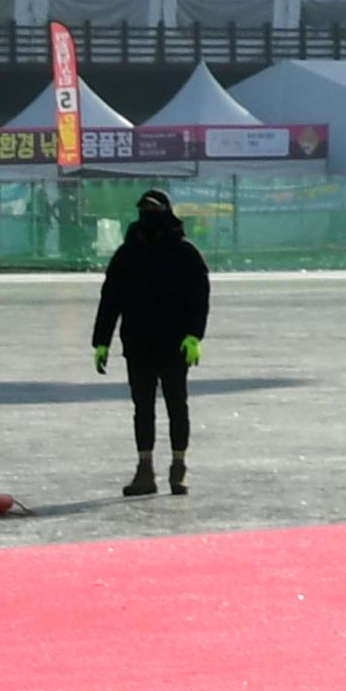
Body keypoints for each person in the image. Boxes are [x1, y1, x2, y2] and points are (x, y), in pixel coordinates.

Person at [92, 187, 211, 495]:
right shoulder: (127, 253)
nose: (148, 216)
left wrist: (193, 336)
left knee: (176, 405)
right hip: (138, 344)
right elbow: (110, 299)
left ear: (167, 213)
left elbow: (199, 298)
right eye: (145, 210)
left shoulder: (185, 253)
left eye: (154, 211)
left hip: (174, 345)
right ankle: (144, 470)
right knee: (142, 407)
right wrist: (101, 341)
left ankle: (178, 467)